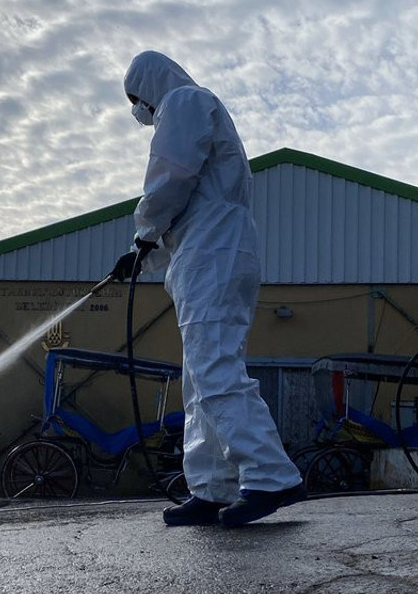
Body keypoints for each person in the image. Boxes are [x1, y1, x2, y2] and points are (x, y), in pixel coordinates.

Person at [110, 51, 305, 528]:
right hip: (205, 254)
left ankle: (270, 475)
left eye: (137, 99)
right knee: (198, 379)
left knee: (215, 368)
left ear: (149, 84)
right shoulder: (190, 107)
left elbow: (170, 177)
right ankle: (211, 486)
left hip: (214, 256)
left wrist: (143, 234)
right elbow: (185, 206)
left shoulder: (184, 101)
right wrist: (145, 253)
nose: (139, 110)